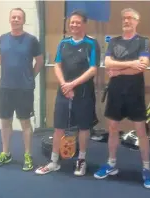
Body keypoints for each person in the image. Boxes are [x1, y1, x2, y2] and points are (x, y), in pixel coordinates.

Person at [93, 8, 150, 188]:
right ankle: (111, 163)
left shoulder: (143, 42)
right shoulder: (114, 41)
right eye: (124, 18)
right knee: (112, 128)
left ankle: (146, 168)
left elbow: (141, 67)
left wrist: (117, 70)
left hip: (135, 92)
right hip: (115, 91)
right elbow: (107, 64)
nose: (126, 21)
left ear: (137, 21)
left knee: (141, 131)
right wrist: (129, 64)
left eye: (130, 18)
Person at [35, 10, 100, 176]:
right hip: (63, 91)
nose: (74, 25)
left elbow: (93, 69)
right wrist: (65, 84)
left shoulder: (92, 44)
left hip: (84, 93)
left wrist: (72, 85)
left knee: (84, 128)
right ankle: (53, 161)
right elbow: (57, 64)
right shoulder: (63, 43)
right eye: (72, 22)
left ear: (84, 24)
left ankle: (81, 160)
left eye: (78, 22)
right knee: (59, 127)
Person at [0, 8, 43, 171]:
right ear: (9, 19)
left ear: (23, 20)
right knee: (5, 122)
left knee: (25, 122)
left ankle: (28, 155)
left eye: (19, 17)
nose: (15, 19)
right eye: (13, 17)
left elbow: (39, 62)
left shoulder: (31, 40)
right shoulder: (3, 39)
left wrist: (28, 77)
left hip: (24, 89)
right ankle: (5, 153)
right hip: (6, 87)